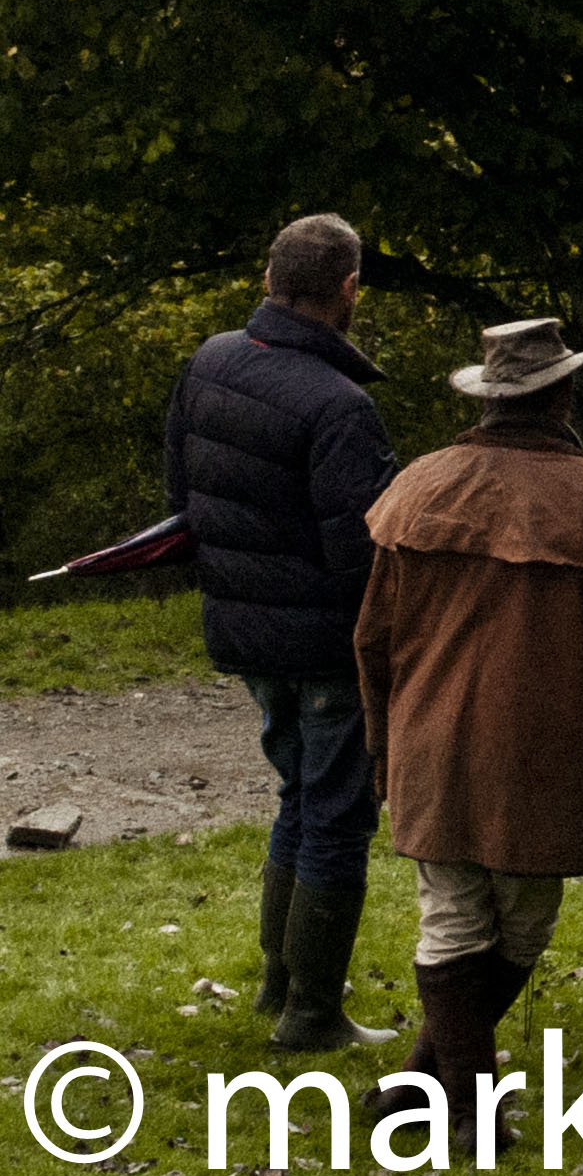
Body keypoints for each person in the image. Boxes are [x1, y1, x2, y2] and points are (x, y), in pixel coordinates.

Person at [354, 318, 583, 1118]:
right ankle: (467, 1109)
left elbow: (372, 643)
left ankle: (431, 1080)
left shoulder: (419, 488)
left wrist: (384, 753)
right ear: (562, 393)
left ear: (488, 396)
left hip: (430, 744)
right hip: (542, 757)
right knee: (518, 926)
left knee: (454, 915)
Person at [165, 212, 400, 1052]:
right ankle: (312, 1014)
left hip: (243, 630)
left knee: (297, 796)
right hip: (324, 645)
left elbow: (181, 500)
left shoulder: (211, 362)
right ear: (347, 289)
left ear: (270, 279)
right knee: (337, 814)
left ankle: (279, 983)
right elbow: (362, 556)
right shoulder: (341, 406)